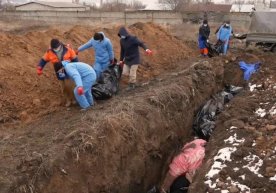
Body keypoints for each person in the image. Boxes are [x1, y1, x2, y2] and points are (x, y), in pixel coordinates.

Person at [37, 38, 79, 107]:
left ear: (60, 45)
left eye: (57, 48)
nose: (56, 49)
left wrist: (77, 68)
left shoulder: (68, 49)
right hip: (59, 71)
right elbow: (43, 60)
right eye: (54, 48)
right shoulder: (49, 52)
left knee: (70, 85)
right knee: (63, 87)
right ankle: (68, 100)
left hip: (68, 70)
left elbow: (75, 59)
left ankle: (74, 99)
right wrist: (39, 67)